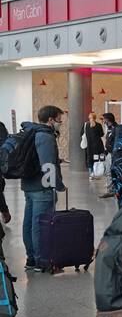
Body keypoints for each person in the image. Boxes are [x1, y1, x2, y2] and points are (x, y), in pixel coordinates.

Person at [18, 106, 66, 273]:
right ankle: (41, 261)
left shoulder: (32, 132)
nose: (61, 123)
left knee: (30, 222)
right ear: (51, 120)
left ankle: (31, 258)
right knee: (41, 224)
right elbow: (47, 166)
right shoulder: (45, 136)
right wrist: (57, 186)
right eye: (60, 120)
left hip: (29, 184)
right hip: (42, 187)